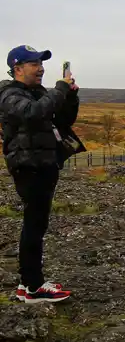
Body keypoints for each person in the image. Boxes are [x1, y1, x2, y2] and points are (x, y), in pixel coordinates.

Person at [0, 45, 78, 303]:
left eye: (41, 63)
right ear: (18, 68)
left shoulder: (38, 93)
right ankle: (34, 287)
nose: (41, 68)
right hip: (29, 166)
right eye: (34, 63)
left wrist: (70, 97)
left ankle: (27, 283)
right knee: (34, 225)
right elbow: (32, 114)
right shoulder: (9, 94)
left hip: (43, 163)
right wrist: (59, 90)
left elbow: (62, 120)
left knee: (37, 223)